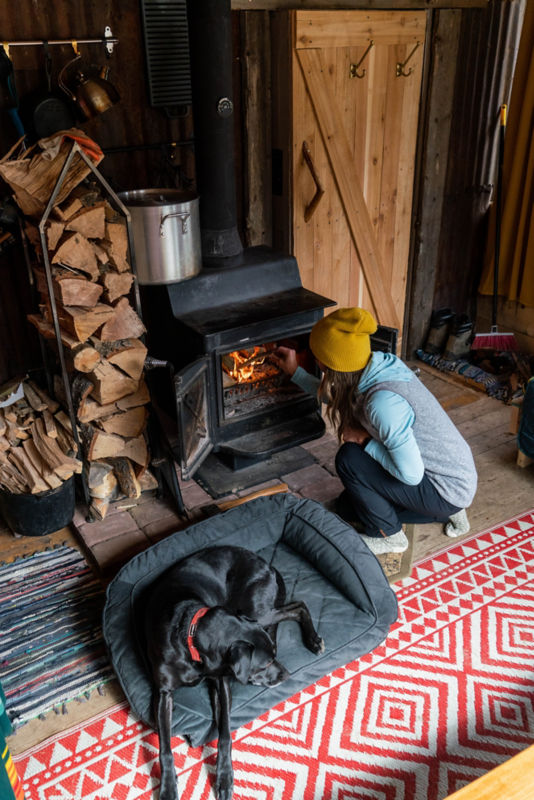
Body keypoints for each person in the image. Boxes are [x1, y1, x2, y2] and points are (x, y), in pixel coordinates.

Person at [272, 307, 478, 556]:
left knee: (350, 458)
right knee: (347, 507)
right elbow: (342, 397)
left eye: (318, 356)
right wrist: (297, 373)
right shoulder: (376, 367)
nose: (315, 360)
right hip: (452, 472)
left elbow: (411, 475)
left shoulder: (383, 403)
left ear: (332, 364)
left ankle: (391, 537)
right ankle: (452, 511)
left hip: (442, 486)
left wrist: (365, 441)